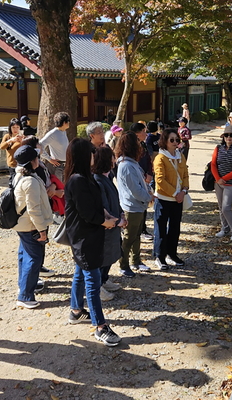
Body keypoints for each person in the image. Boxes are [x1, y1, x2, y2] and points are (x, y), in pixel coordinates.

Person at [64, 138, 122, 346]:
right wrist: (106, 222)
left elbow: (97, 206)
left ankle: (76, 310)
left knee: (81, 272)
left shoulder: (86, 178)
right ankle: (100, 326)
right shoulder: (77, 180)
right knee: (93, 280)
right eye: (91, 152)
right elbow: (88, 213)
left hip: (91, 235)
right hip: (84, 237)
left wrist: (108, 217)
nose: (94, 156)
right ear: (82, 155)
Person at [12, 145, 54, 309]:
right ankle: (25, 295)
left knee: (24, 255)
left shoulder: (19, 176)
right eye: (36, 157)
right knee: (34, 258)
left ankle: (24, 286)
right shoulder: (30, 181)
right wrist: (42, 229)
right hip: (30, 225)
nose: (39, 160)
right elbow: (33, 209)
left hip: (22, 224)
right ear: (32, 161)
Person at [116, 132, 154, 277]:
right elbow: (135, 189)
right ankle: (123, 264)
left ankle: (136, 260)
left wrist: (149, 192)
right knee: (129, 237)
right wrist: (148, 197)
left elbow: (141, 184)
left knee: (136, 235)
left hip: (138, 205)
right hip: (132, 207)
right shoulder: (126, 165)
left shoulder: (132, 163)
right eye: (137, 143)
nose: (140, 145)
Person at [152, 128, 189, 270]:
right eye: (172, 140)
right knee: (160, 228)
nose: (175, 143)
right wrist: (175, 193)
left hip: (178, 198)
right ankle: (159, 256)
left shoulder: (180, 156)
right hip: (164, 198)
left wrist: (184, 190)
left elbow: (185, 174)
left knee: (175, 228)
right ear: (165, 142)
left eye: (177, 140)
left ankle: (172, 254)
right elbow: (160, 180)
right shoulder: (160, 158)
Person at [92, 146, 126, 300]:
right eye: (112, 157)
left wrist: (121, 213)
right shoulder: (98, 180)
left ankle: (104, 280)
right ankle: (97, 287)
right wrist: (117, 220)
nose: (115, 160)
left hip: (115, 224)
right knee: (102, 256)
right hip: (106, 226)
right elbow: (104, 206)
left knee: (111, 254)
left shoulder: (107, 177)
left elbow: (114, 199)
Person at [211, 125, 232, 239]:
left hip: (231, 183)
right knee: (221, 207)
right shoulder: (218, 148)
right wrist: (217, 178)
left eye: (231, 135)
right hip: (218, 183)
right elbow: (213, 164)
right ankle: (224, 228)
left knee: (226, 207)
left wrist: (224, 179)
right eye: (226, 135)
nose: (228, 137)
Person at [130, 122, 154, 241]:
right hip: (136, 179)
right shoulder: (129, 147)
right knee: (136, 205)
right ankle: (136, 230)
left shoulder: (143, 144)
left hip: (146, 178)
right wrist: (142, 176)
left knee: (144, 204)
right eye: (143, 131)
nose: (146, 134)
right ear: (137, 134)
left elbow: (149, 160)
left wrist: (149, 174)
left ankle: (143, 229)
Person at [39, 112, 70, 182]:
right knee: (58, 187)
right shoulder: (52, 134)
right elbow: (39, 146)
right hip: (57, 166)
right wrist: (49, 159)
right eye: (68, 121)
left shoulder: (63, 131)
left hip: (66, 164)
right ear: (65, 122)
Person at [0, 118, 24, 182]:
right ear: (10, 128)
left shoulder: (23, 137)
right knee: (12, 182)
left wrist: (22, 141)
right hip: (12, 164)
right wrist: (10, 141)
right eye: (13, 127)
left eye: (17, 127)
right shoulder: (7, 136)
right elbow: (2, 147)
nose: (15, 129)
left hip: (21, 164)